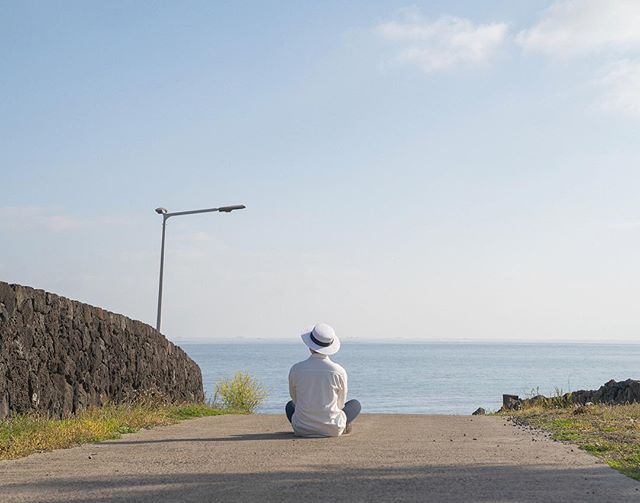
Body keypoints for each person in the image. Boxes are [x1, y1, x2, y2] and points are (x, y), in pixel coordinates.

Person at [286, 323, 361, 437]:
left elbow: (295, 398)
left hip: (302, 428)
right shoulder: (338, 371)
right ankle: (343, 426)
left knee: (289, 406)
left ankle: (309, 424)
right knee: (355, 404)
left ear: (310, 346)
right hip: (332, 428)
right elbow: (340, 404)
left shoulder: (296, 369)